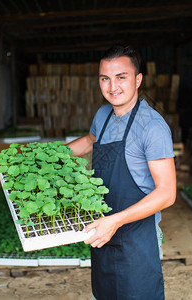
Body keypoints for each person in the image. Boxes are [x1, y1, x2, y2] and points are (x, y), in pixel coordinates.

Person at [67, 44, 176, 300]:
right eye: (105, 78)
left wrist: (115, 221)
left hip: (136, 241)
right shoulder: (103, 115)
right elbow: (89, 141)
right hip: (103, 232)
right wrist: (48, 158)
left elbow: (167, 194)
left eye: (121, 77)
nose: (112, 86)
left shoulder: (152, 127)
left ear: (138, 79)